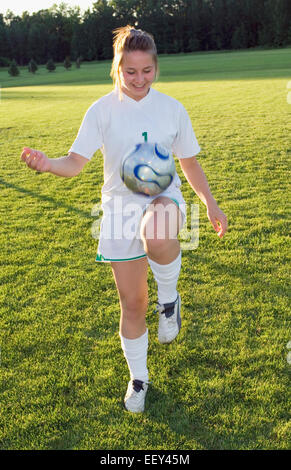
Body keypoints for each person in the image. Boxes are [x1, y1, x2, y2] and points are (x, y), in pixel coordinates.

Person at [20, 25, 228, 413]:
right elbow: (75, 162)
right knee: (132, 304)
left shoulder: (172, 109)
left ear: (155, 67)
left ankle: (169, 301)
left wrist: (210, 204)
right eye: (130, 71)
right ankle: (138, 378)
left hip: (163, 200)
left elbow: (189, 162)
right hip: (117, 213)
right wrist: (48, 165)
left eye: (146, 70)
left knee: (158, 229)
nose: (139, 79)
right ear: (117, 68)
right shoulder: (100, 110)